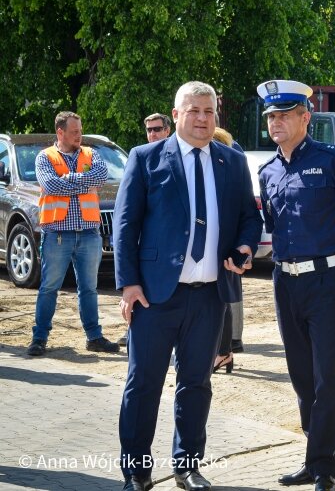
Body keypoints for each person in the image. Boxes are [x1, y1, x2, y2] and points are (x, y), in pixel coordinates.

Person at [114, 81, 262, 491]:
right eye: (193, 111)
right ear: (176, 114)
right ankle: (137, 472)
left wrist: (246, 245)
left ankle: (187, 466)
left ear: (216, 117)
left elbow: (250, 217)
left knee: (196, 385)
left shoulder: (231, 162)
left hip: (209, 297)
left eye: (209, 111)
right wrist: (128, 285)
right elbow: (125, 226)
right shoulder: (146, 159)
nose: (201, 118)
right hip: (155, 297)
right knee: (142, 386)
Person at [258, 79, 335, 491]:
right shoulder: (267, 171)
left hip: (327, 282)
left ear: (306, 117)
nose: (277, 122)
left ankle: (325, 466)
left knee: (327, 377)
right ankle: (316, 455)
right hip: (285, 282)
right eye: (272, 116)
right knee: (302, 376)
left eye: (285, 114)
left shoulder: (331, 160)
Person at [26, 111, 119, 357]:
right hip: (57, 234)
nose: (79, 135)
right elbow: (51, 185)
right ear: (61, 132)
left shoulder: (91, 154)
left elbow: (100, 176)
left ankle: (94, 337)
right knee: (49, 288)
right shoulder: (44, 157)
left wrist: (68, 178)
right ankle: (39, 338)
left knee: (89, 288)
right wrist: (83, 183)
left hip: (89, 233)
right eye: (75, 131)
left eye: (80, 130)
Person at [117, 112, 176, 349]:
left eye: (157, 129)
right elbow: (127, 217)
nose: (153, 134)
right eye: (149, 130)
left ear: (168, 130)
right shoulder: (140, 156)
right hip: (144, 249)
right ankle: (133, 334)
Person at [211, 126, 246, 373]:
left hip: (226, 251)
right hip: (220, 251)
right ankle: (227, 350)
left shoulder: (233, 164)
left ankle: (225, 351)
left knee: (223, 302)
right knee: (223, 302)